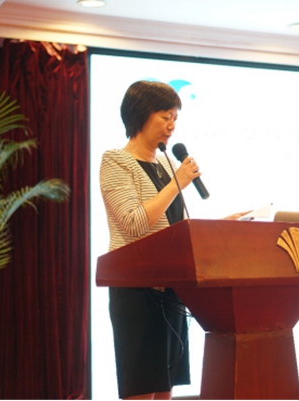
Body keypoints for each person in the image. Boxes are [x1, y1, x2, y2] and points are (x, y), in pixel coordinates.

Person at [100, 81, 248, 400]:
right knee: (141, 388)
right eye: (166, 117)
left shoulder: (166, 165)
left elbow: (175, 229)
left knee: (165, 387)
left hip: (171, 289)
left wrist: (221, 226)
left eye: (175, 118)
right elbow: (135, 222)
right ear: (140, 114)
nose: (172, 126)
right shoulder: (116, 161)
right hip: (136, 290)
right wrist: (178, 182)